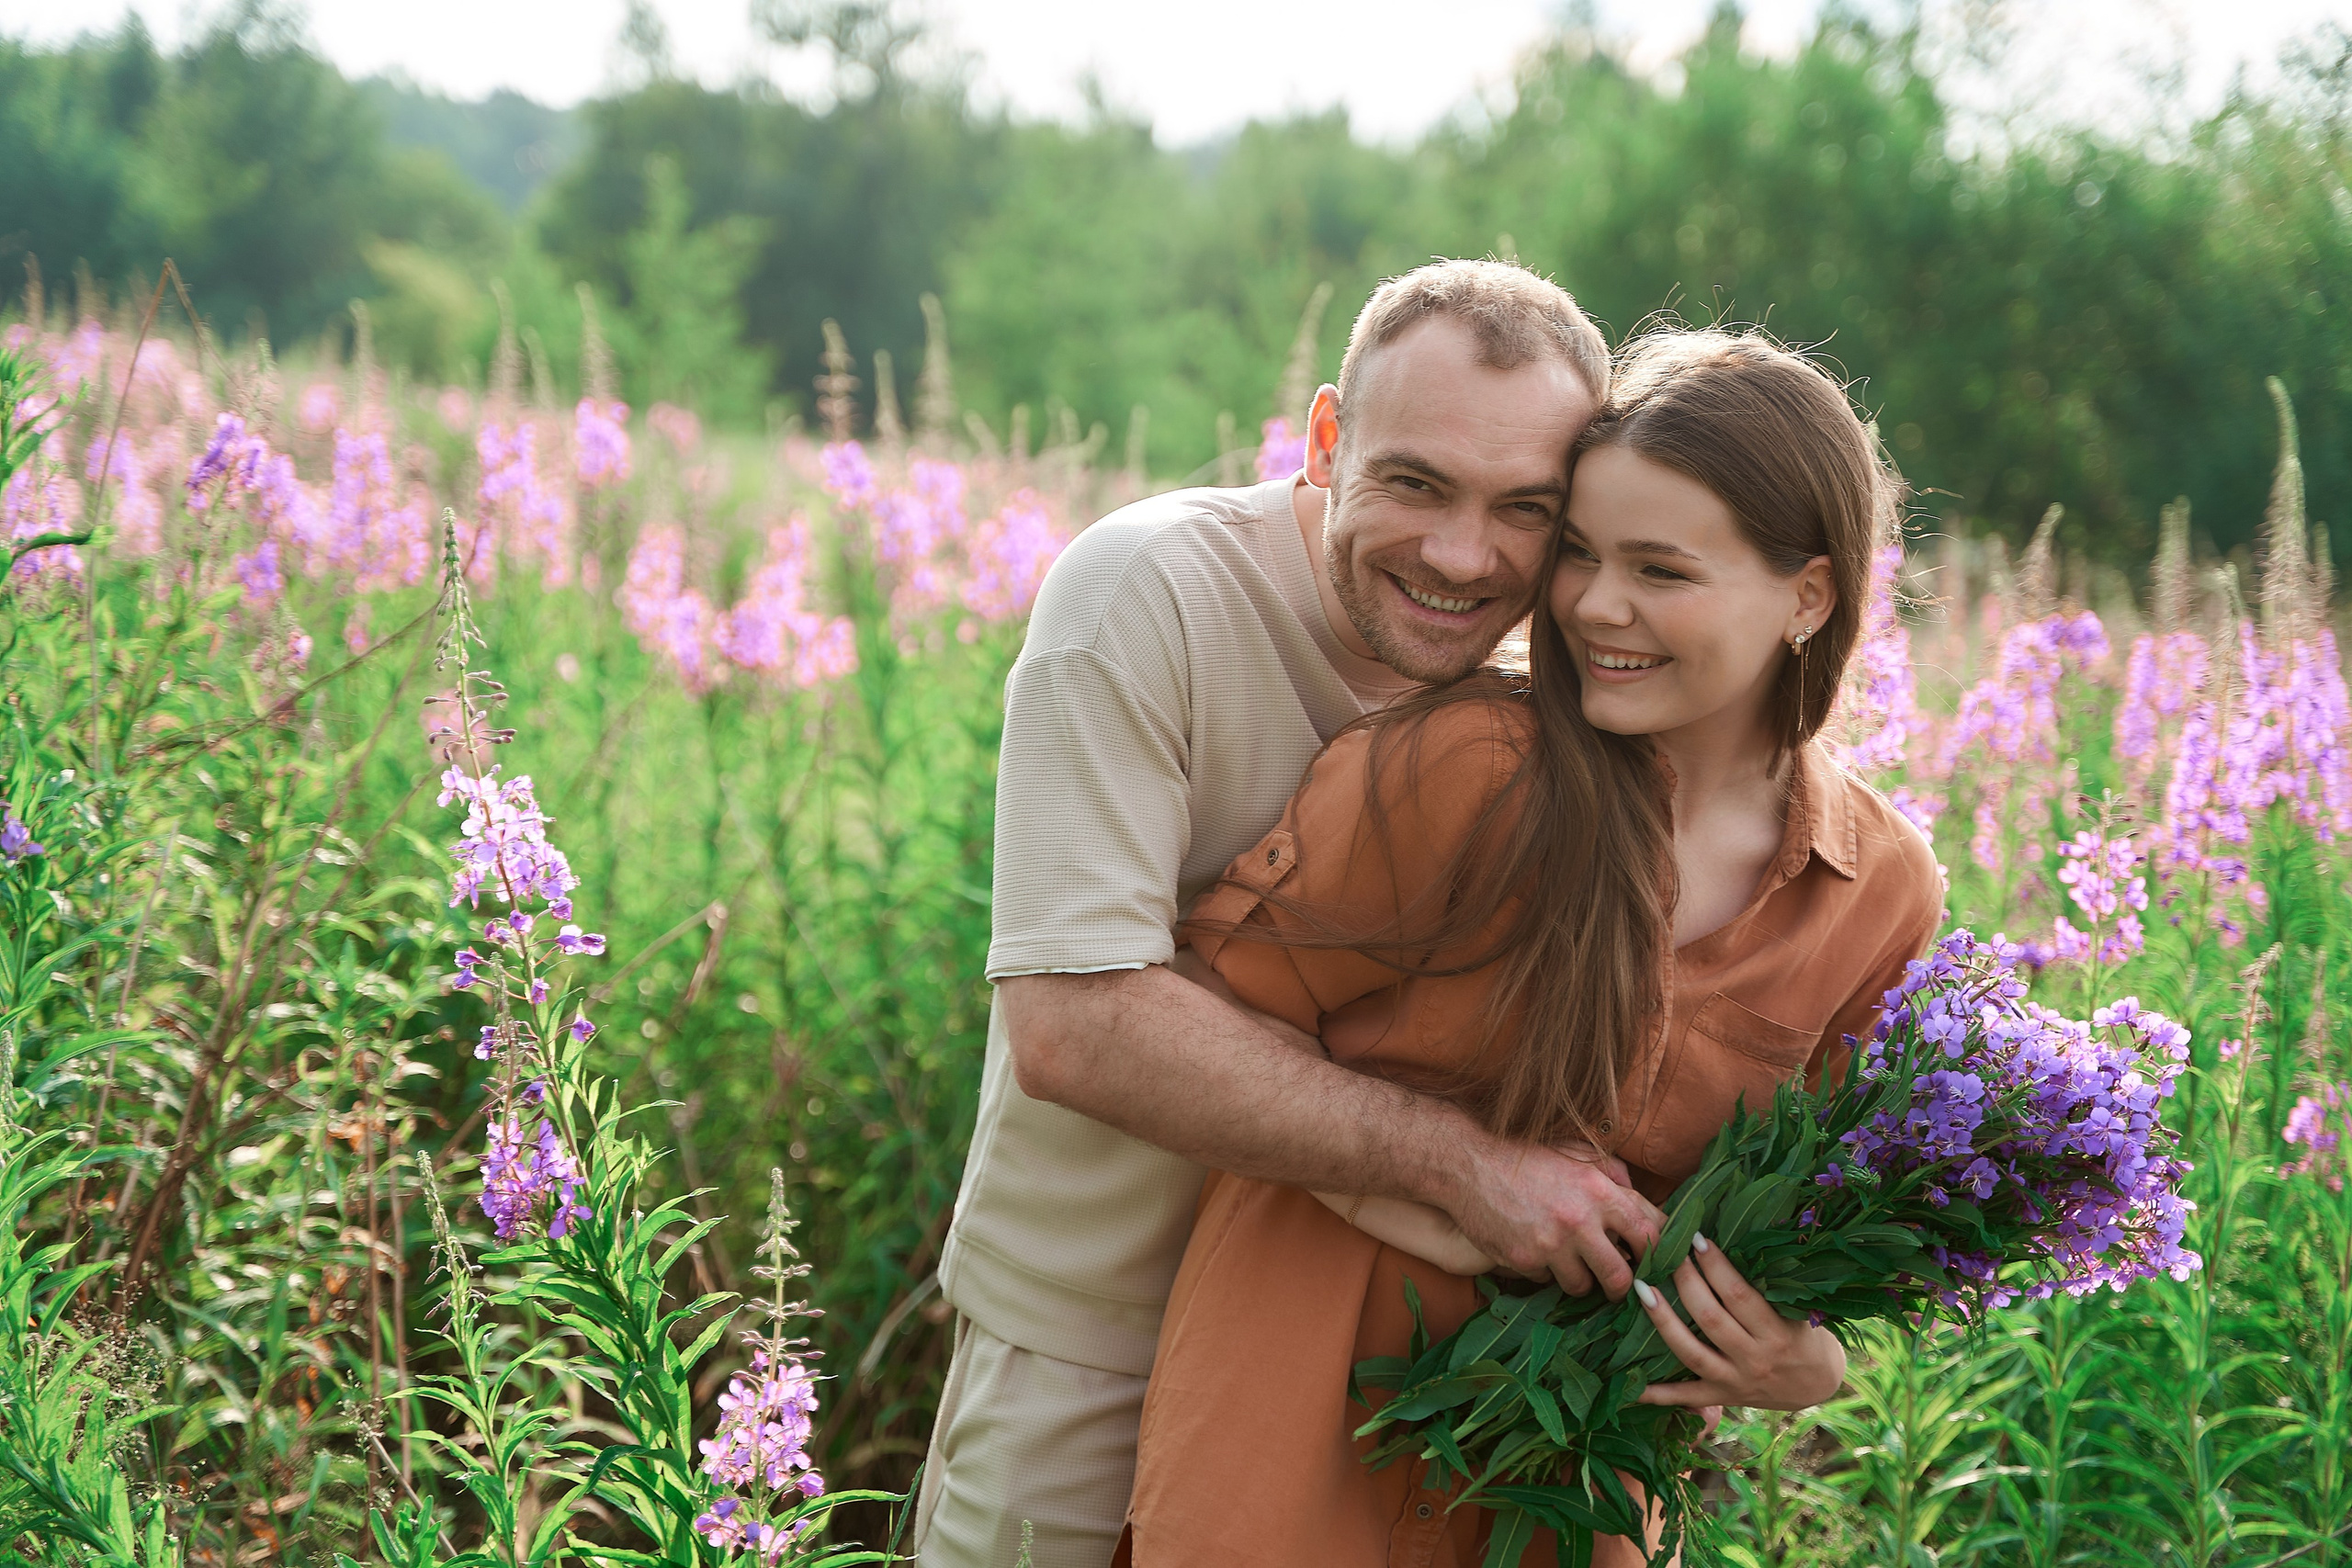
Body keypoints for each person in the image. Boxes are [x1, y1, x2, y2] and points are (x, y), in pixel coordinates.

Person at [1124, 328, 1947, 1565]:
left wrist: (1804, 1362)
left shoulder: (1878, 888)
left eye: (1659, 570)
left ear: (1809, 597)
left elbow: (1814, 1224)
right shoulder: (1465, 767)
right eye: (1578, 552)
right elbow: (1214, 1025)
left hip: (1570, 1490)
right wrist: (1440, 1184)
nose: (1593, 605)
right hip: (1294, 1433)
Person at [912, 261, 1672, 1568]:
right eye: (1415, 482)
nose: (1463, 555)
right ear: (1326, 439)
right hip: (1096, 1328)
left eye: (1525, 510)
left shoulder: (1569, 660)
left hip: (1367, 1366)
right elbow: (1072, 1027)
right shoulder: (1145, 595)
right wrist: (1464, 1168)